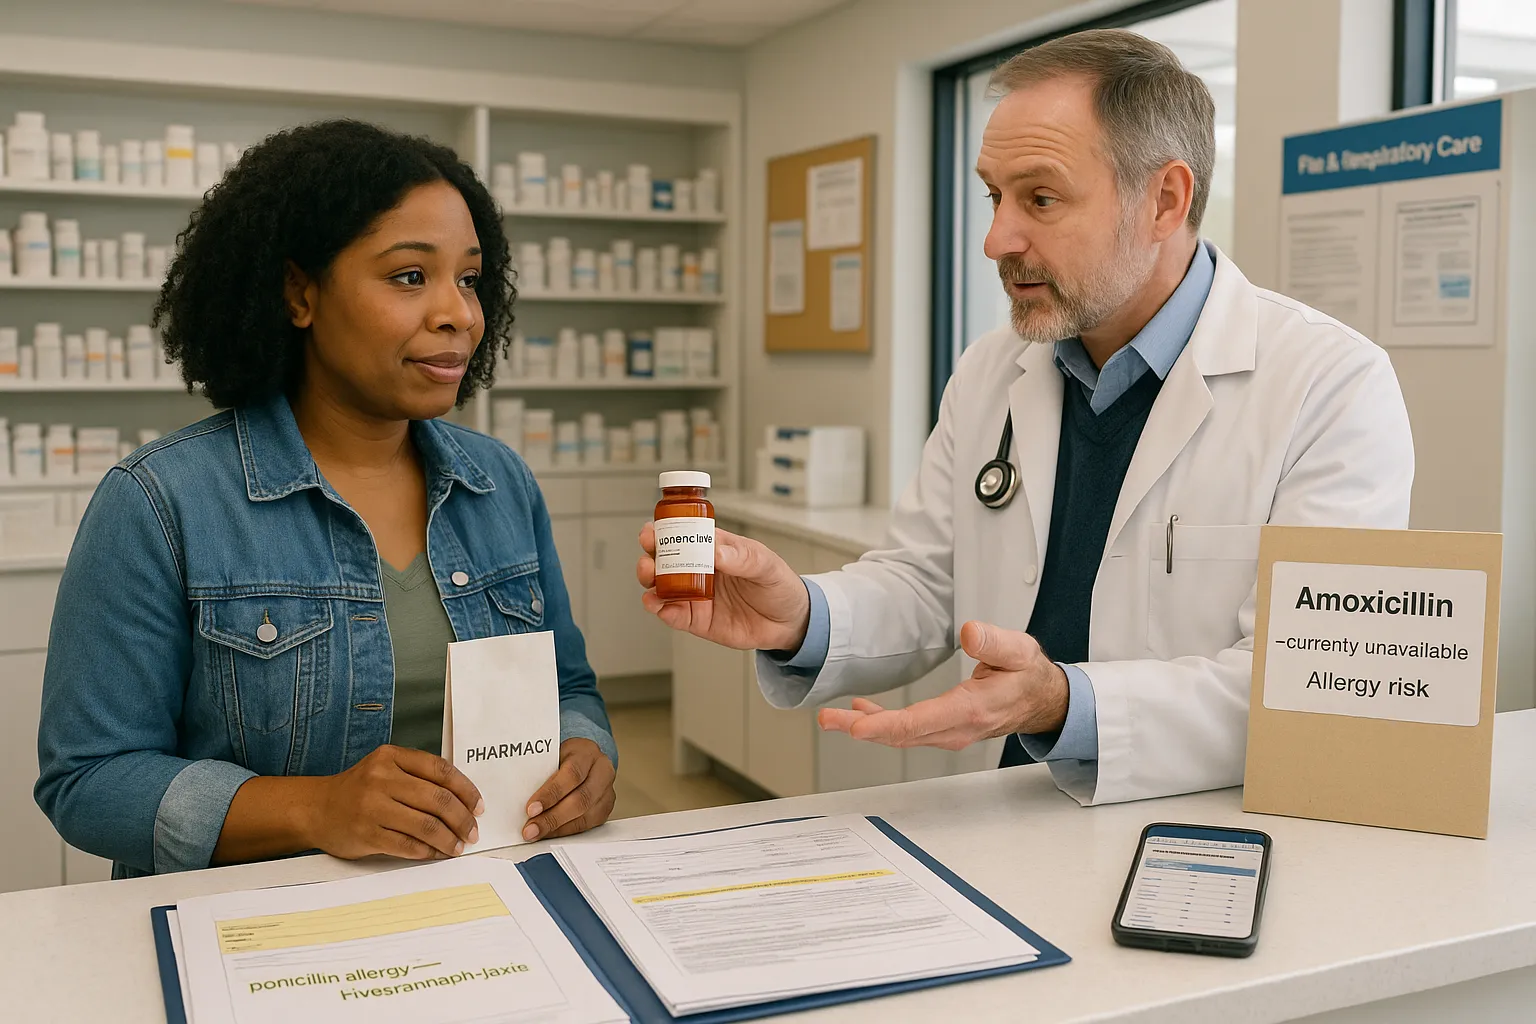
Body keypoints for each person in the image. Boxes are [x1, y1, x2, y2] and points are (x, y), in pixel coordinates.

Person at [638, 29, 1413, 806]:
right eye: (994, 195)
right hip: (1006, 819)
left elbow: (1309, 684)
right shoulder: (992, 370)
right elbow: (926, 581)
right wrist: (800, 615)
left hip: (1197, 836)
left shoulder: (1330, 386)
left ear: (1165, 201)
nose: (996, 239)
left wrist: (1062, 703)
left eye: (1040, 198)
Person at [35, 120, 616, 878]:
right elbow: (88, 780)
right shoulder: (159, 502)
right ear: (299, 293)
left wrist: (587, 754)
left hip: (482, 902)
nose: (458, 314)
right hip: (257, 934)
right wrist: (314, 807)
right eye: (410, 276)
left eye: (469, 279)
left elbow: (569, 688)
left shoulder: (500, 484)